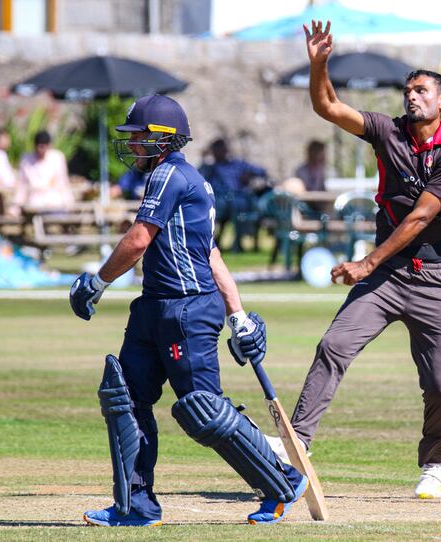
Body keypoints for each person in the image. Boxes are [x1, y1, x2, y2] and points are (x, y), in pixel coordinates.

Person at [69, 94, 307, 527]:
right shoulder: (176, 177)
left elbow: (140, 238)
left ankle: (282, 481)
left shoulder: (171, 175)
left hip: (187, 309)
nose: (133, 144)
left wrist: (97, 282)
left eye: (139, 136)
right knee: (126, 399)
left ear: (162, 139)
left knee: (203, 410)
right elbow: (210, 251)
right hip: (153, 307)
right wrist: (236, 313)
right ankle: (136, 506)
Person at [274, 20, 441, 500]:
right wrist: (319, 63)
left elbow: (423, 217)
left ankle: (435, 465)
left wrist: (365, 261)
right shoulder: (388, 131)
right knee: (333, 346)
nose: (412, 97)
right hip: (387, 276)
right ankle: (296, 442)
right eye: (407, 91)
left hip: (436, 277)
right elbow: (327, 106)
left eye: (422, 91)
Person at [199, 137, 267, 252]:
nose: (219, 153)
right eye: (216, 150)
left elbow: (261, 171)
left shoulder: (237, 164)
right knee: (224, 206)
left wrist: (249, 176)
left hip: (239, 199)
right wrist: (205, 158)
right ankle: (219, 243)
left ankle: (238, 242)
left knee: (239, 204)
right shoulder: (211, 168)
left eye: (222, 149)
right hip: (219, 201)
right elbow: (199, 178)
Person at [10, 130, 74, 215]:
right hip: (34, 203)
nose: (42, 150)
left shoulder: (57, 158)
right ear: (35, 146)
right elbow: (22, 185)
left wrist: (69, 203)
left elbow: (63, 182)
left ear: (49, 146)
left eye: (45, 146)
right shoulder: (26, 160)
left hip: (55, 201)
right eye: (40, 146)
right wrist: (16, 206)